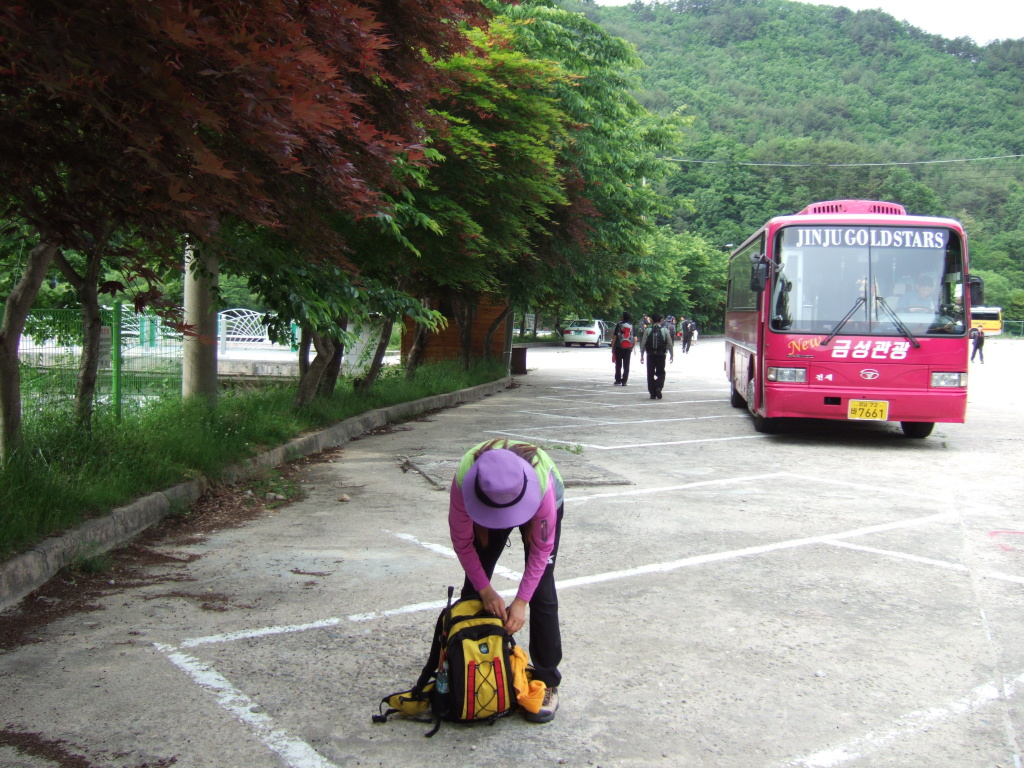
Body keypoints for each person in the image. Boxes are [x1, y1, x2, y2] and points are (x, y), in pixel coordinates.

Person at [449, 439, 565, 723]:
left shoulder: (542, 485)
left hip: (540, 498)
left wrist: (521, 602)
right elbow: (463, 544)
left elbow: (541, 550)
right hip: (486, 496)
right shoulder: (465, 482)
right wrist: (486, 591)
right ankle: (467, 661)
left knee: (542, 590)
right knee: (473, 589)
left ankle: (547, 679)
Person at [639, 313, 674, 399]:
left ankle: (652, 393)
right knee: (661, 372)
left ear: (652, 320)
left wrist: (642, 355)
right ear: (661, 320)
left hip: (650, 355)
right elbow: (669, 343)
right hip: (661, 355)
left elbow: (643, 343)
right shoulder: (664, 330)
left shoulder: (648, 330)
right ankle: (658, 387)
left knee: (650, 373)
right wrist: (671, 354)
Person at [612, 311, 635, 386]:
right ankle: (624, 381)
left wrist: (613, 347)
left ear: (623, 317)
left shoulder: (619, 324)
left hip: (619, 347)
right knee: (626, 364)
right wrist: (632, 346)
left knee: (618, 364)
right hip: (628, 348)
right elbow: (635, 338)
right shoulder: (632, 325)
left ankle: (618, 380)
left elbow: (615, 337)